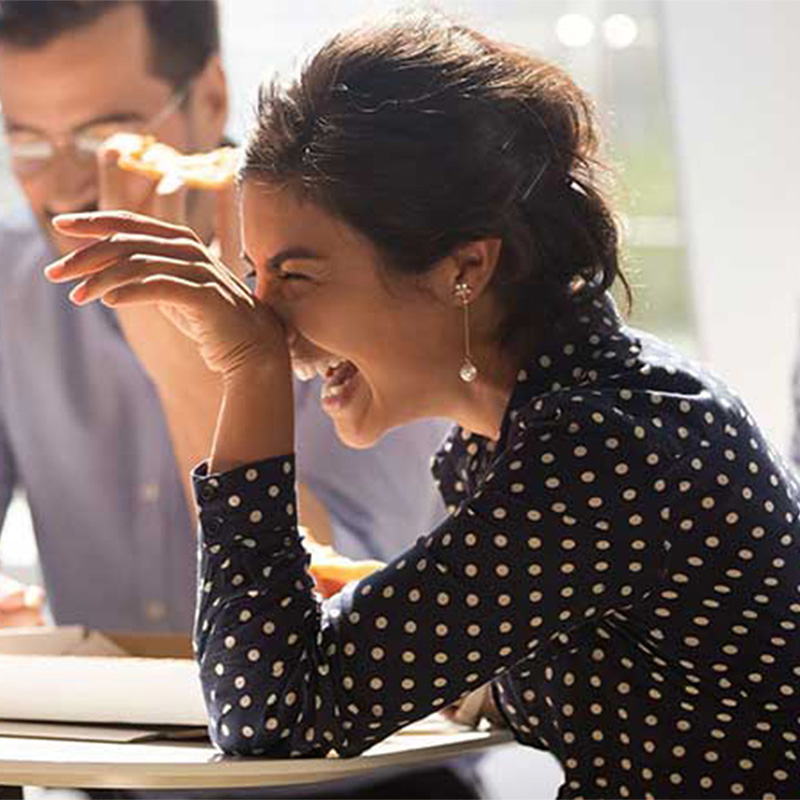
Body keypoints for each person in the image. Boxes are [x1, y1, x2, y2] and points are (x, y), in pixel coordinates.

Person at [49, 11, 800, 800]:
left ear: (464, 268)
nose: (264, 316)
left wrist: (249, 370)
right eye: (251, 272)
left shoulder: (606, 446)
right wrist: (376, 605)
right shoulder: (531, 431)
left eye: (295, 277)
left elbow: (273, 718)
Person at [0, 3, 479, 798]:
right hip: (111, 775)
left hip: (360, 779)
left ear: (210, 99)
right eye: (24, 140)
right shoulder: (12, 286)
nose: (66, 187)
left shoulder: (364, 271)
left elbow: (344, 618)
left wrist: (190, 367)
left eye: (103, 138)